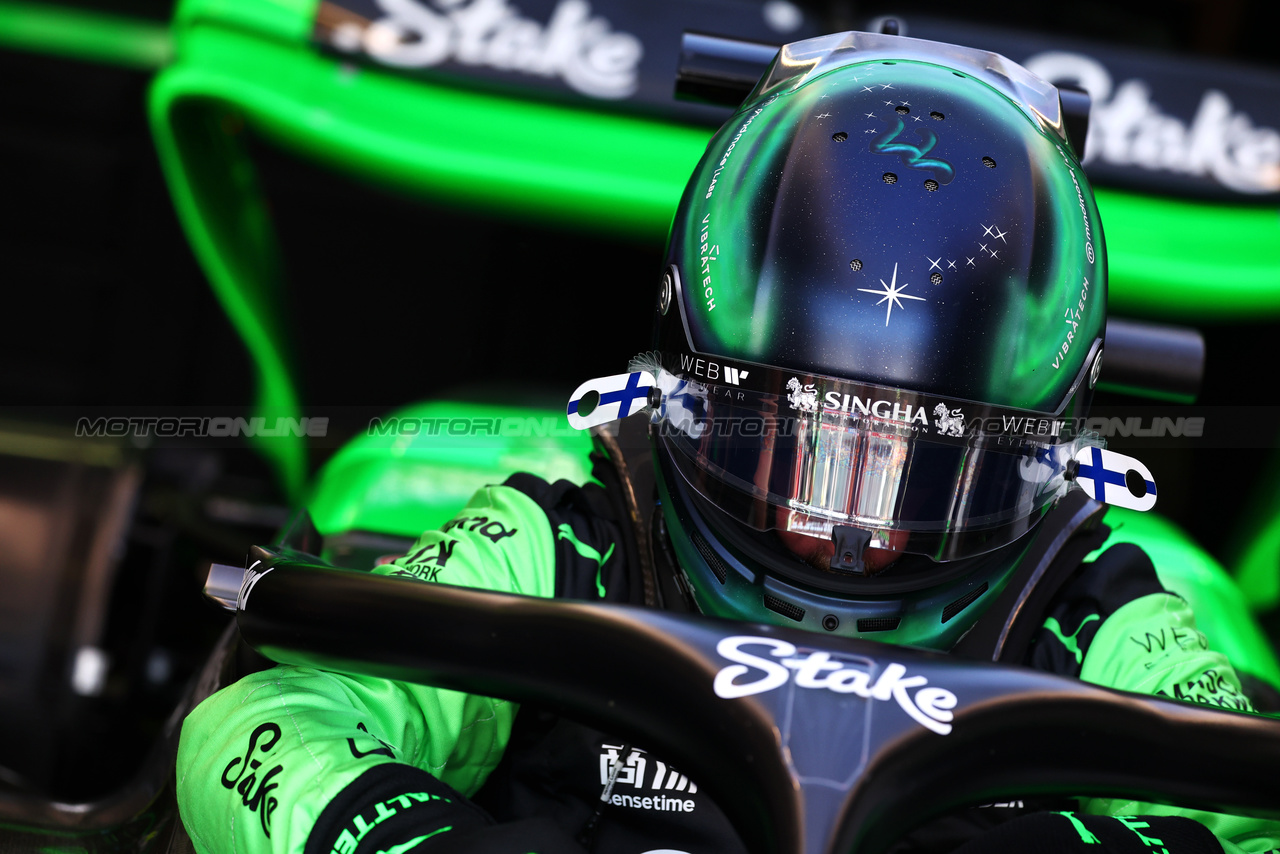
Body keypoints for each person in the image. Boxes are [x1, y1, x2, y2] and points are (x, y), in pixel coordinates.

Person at [176, 29, 1279, 854]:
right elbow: (259, 721)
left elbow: (1245, 820)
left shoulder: (1091, 607)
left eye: (920, 466)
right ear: (685, 392)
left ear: (1038, 459)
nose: (839, 532)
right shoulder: (578, 536)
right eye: (800, 443)